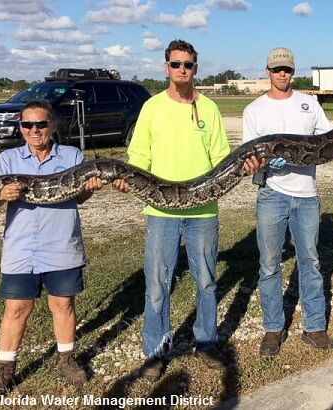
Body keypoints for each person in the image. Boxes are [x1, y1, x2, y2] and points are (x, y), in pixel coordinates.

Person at [113, 39, 231, 378]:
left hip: (203, 210)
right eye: (176, 64)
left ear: (196, 67)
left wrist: (243, 167)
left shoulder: (208, 107)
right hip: (161, 213)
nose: (182, 70)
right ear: (166, 67)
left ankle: (206, 341)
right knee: (157, 284)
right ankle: (156, 350)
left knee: (206, 280)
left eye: (188, 65)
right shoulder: (151, 107)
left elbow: (221, 158)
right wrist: (127, 180)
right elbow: (138, 158)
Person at [0, 100, 103, 400]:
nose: (35, 130)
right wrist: (1, 195)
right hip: (21, 248)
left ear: (52, 126)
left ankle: (66, 359)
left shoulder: (72, 155)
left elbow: (79, 198)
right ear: (21, 128)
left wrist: (89, 188)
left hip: (61, 244)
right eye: (28, 125)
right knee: (16, 309)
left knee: (63, 305)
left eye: (41, 124)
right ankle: (5, 371)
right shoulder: (7, 160)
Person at [241, 47, 333, 356]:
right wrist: (264, 165)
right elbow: (248, 160)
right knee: (269, 264)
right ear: (267, 72)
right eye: (276, 69)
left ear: (293, 72)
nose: (282, 74)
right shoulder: (254, 110)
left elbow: (331, 140)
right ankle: (273, 328)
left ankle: (314, 327)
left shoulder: (309, 104)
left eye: (287, 69)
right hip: (272, 194)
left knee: (310, 261)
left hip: (307, 194)